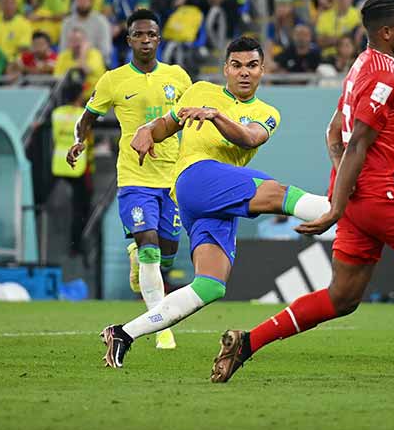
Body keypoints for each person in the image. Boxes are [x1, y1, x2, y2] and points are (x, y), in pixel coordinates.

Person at [210, 0, 394, 385]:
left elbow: (333, 134)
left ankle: (246, 343)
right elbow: (358, 141)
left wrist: (343, 192)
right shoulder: (384, 76)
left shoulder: (361, 65)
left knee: (342, 298)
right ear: (387, 31)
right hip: (379, 193)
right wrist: (338, 206)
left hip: (359, 194)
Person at [98, 36, 331, 367]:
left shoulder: (266, 113)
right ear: (226, 69)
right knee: (276, 192)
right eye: (237, 65)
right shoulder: (199, 91)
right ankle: (345, 210)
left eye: (252, 65)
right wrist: (147, 130)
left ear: (263, 70)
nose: (244, 73)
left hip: (217, 200)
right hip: (195, 178)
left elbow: (248, 137)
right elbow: (167, 123)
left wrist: (214, 116)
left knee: (210, 285)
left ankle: (123, 334)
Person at [67, 9, 191, 351]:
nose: (146, 40)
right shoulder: (113, 79)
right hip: (134, 177)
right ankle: (161, 328)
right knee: (150, 247)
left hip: (172, 178)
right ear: (129, 40)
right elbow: (88, 117)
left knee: (167, 253)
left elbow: (192, 117)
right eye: (140, 35)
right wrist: (79, 141)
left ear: (159, 39)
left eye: (152, 34)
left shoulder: (178, 77)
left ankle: (141, 262)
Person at [51, 79, 92, 255]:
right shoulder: (83, 114)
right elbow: (87, 140)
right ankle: (76, 246)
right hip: (78, 166)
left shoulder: (56, 113)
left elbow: (54, 137)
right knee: (81, 207)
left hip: (59, 165)